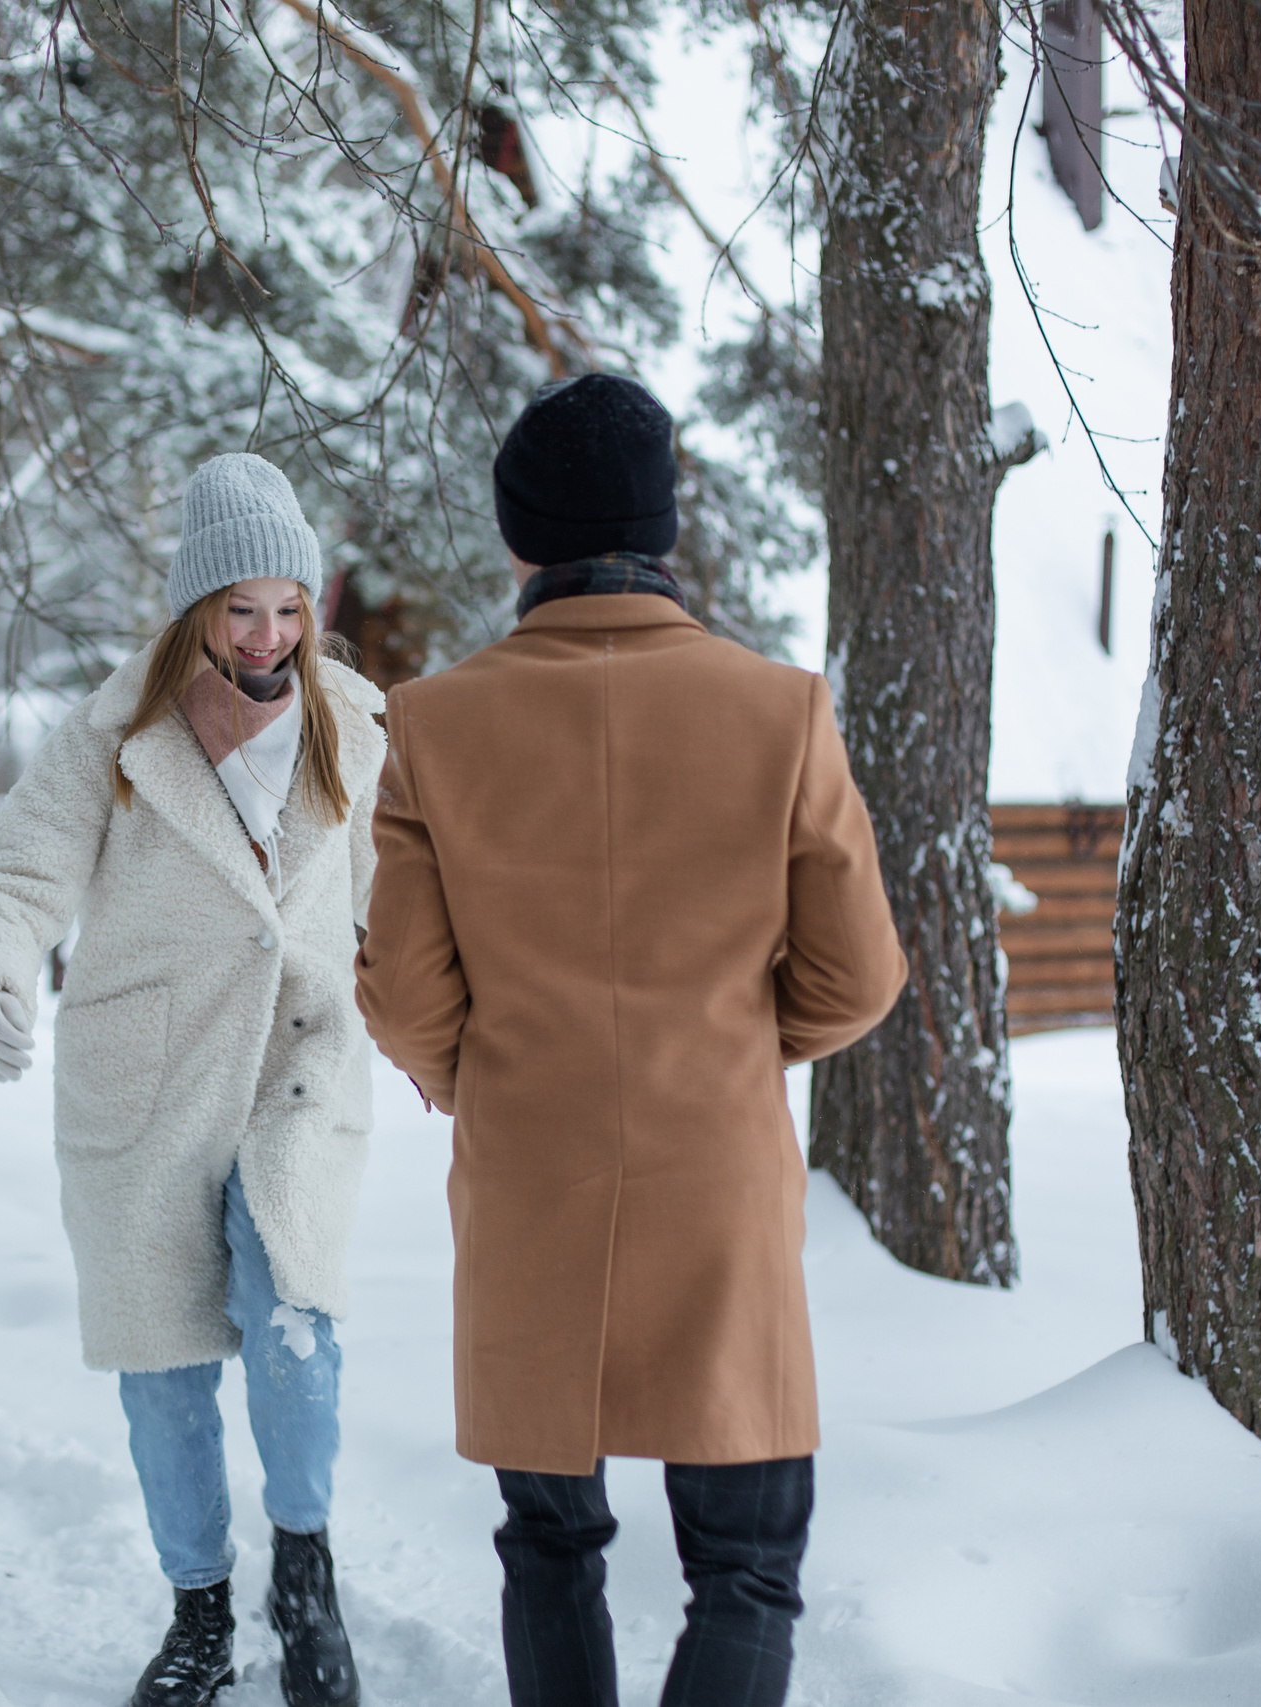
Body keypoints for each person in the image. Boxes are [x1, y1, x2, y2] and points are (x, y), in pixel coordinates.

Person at [352, 374, 907, 1707]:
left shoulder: (434, 723)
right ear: (665, 524)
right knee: (749, 1565)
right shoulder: (782, 712)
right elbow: (859, 975)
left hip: (531, 1182)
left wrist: (470, 1077)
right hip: (716, 1183)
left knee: (549, 1539)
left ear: (518, 538)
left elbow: (407, 992)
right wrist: (729, 1051)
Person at [0, 452, 384, 1707]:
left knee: (293, 1323)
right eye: (241, 609)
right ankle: (197, 1613)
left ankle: (306, 1580)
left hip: (296, 1072)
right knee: (164, 1360)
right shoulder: (114, 734)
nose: (268, 636)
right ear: (197, 609)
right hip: (145, 1078)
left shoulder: (353, 725)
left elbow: (372, 910)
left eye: (288, 606)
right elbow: (9, 884)